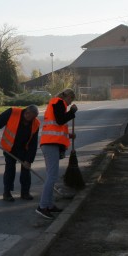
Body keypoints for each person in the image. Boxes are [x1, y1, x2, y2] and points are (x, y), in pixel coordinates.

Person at [36, 89, 77, 219]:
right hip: (50, 144)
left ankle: (49, 205)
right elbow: (60, 120)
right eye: (71, 100)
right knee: (52, 176)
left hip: (49, 143)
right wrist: (72, 112)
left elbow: (56, 126)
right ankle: (42, 206)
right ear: (67, 97)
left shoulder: (56, 103)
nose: (70, 103)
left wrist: (68, 135)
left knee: (51, 176)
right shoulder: (59, 102)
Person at [0, 105, 40, 201]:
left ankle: (25, 192)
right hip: (9, 147)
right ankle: (7, 193)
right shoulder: (12, 112)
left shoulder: (36, 123)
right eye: (31, 117)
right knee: (10, 169)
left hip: (24, 149)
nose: (32, 120)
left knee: (26, 169)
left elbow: (33, 144)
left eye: (34, 117)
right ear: (27, 113)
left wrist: (29, 160)